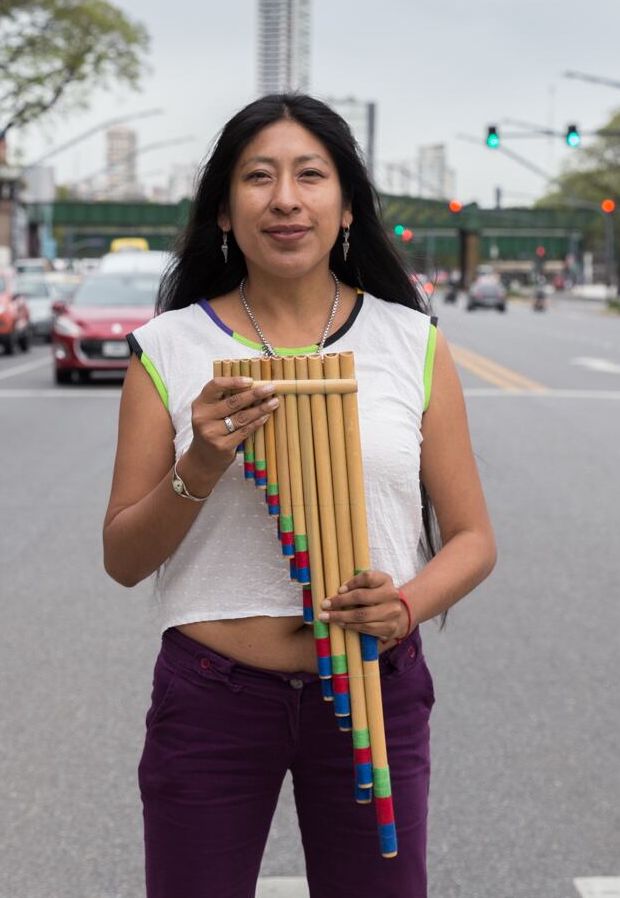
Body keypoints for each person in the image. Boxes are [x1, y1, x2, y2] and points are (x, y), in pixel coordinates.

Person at [102, 94, 497, 898]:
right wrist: (199, 466)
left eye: (310, 175)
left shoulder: (410, 340)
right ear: (224, 209)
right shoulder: (168, 350)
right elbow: (123, 558)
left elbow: (472, 538)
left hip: (372, 683)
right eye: (259, 177)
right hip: (213, 694)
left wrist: (406, 607)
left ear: (346, 204)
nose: (286, 198)